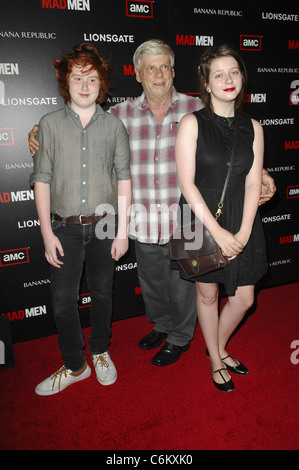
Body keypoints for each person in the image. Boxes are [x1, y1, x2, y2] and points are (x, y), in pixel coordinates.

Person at [28, 40, 276, 368]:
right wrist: (38, 131)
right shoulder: (119, 115)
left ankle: (180, 337)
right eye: (150, 68)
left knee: (184, 289)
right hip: (142, 220)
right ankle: (161, 325)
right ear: (138, 75)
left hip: (186, 220)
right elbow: (82, 124)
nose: (158, 74)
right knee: (153, 285)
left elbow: (231, 145)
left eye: (164, 67)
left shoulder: (195, 111)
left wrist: (265, 171)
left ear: (173, 72)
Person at [29, 43, 131, 396]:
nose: (85, 85)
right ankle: (75, 365)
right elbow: (41, 179)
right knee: (61, 302)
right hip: (63, 228)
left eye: (92, 78)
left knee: (103, 294)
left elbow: (124, 180)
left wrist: (123, 232)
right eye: (77, 77)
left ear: (102, 82)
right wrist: (46, 233)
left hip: (105, 226)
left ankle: (100, 350)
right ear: (65, 82)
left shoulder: (115, 127)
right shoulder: (49, 125)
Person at [174, 44, 268, 392]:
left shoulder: (254, 127)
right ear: (207, 84)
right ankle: (216, 356)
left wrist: (242, 232)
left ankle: (217, 345)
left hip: (243, 217)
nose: (227, 79)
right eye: (218, 74)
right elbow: (186, 183)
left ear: (242, 78)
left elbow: (254, 180)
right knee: (209, 296)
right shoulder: (191, 122)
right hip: (200, 218)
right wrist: (218, 233)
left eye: (234, 72)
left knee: (244, 298)